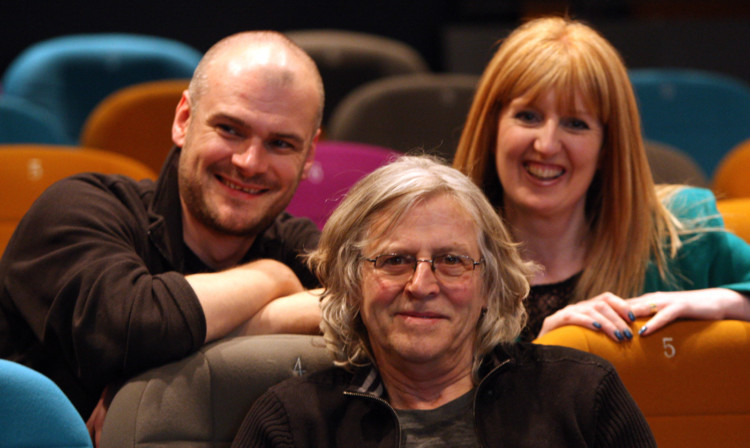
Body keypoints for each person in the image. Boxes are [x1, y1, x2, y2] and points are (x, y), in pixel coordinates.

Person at [0, 31, 325, 423]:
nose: (250, 162)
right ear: (184, 119)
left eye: (281, 144)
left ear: (309, 155)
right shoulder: (77, 209)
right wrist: (271, 278)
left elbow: (378, 305)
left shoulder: (300, 243)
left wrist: (153, 375)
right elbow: (129, 328)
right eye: (230, 129)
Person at [231, 155, 656, 447]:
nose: (421, 284)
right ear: (352, 280)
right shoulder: (291, 424)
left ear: (490, 284)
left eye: (451, 261)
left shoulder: (581, 397)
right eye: (394, 260)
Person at [452, 16, 750, 343]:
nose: (547, 145)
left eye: (576, 124)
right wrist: (544, 357)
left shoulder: (680, 235)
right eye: (528, 117)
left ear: (607, 147)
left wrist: (724, 302)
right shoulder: (441, 259)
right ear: (492, 127)